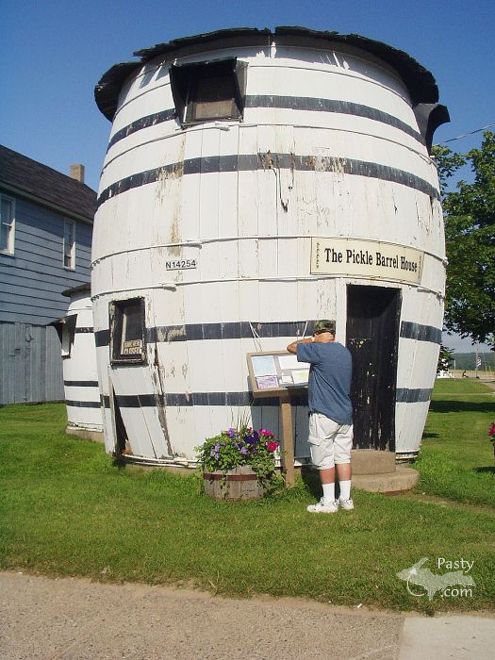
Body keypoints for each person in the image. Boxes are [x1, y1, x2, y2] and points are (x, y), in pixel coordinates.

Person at [287, 320, 354, 513]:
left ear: (318, 333)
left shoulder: (319, 350)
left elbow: (291, 347)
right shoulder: (344, 352)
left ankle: (328, 502)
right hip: (344, 414)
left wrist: (310, 339)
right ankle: (346, 499)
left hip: (324, 414)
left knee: (324, 459)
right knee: (343, 457)